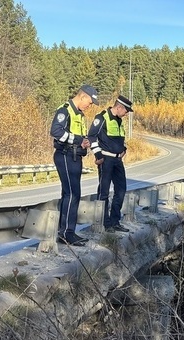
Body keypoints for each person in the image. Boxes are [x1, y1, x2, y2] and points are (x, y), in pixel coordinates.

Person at [51, 84, 99, 246]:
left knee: (71, 194)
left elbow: (78, 135)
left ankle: (67, 231)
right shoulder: (65, 110)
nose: (89, 106)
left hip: (75, 156)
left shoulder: (79, 114)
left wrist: (84, 142)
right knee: (72, 194)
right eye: (90, 102)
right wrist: (79, 140)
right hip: (65, 154)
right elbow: (56, 131)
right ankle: (66, 233)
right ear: (83, 96)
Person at [88, 95, 133, 233]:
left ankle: (115, 221)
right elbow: (91, 136)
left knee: (121, 190)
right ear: (119, 107)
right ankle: (105, 223)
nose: (126, 114)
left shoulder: (119, 121)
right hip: (105, 160)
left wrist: (123, 149)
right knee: (104, 192)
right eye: (126, 111)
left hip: (118, 160)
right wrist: (98, 155)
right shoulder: (101, 118)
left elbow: (119, 138)